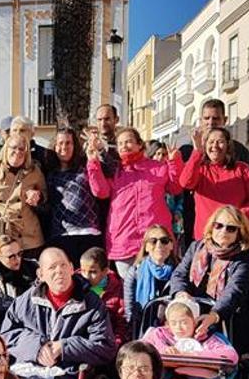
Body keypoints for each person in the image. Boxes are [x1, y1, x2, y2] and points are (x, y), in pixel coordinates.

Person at [1, 247, 116, 379]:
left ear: (73, 269)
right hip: (25, 370)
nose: (59, 272)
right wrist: (36, 347)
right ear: (40, 274)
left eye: (63, 265)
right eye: (52, 268)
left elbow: (106, 347)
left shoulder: (91, 304)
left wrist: (64, 347)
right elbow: (6, 335)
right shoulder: (26, 301)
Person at [87, 127, 182, 279]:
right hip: (124, 240)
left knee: (159, 287)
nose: (124, 146)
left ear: (140, 144)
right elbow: (100, 191)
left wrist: (173, 162)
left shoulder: (156, 168)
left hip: (155, 241)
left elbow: (175, 187)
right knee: (130, 290)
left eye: (129, 141)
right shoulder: (115, 171)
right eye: (120, 143)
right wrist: (93, 163)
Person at [170, 206, 249, 348]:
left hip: (227, 319)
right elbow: (179, 275)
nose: (223, 231)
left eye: (231, 228)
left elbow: (234, 291)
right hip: (192, 313)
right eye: (219, 226)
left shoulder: (245, 259)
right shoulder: (197, 247)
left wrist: (214, 315)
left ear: (239, 232)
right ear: (212, 227)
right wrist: (181, 293)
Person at [180, 127, 249, 241]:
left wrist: (239, 216)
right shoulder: (200, 169)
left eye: (220, 142)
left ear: (228, 146)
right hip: (206, 237)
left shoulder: (242, 169)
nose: (215, 146)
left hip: (235, 235)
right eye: (211, 142)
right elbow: (185, 182)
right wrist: (197, 152)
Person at [46, 127, 103, 264]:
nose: (64, 147)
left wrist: (99, 149)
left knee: (94, 277)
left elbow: (108, 171)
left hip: (88, 231)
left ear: (74, 146)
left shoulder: (84, 166)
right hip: (62, 234)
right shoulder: (50, 173)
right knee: (71, 277)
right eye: (60, 143)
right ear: (54, 146)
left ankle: (99, 288)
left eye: (68, 143)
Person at [124, 225, 178, 331]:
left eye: (164, 241)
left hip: (173, 326)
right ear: (146, 247)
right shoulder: (135, 272)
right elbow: (129, 309)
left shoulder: (180, 271)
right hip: (143, 326)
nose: (159, 245)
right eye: (153, 241)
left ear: (171, 245)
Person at [0, 237, 37, 327]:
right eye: (11, 256)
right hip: (10, 322)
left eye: (20, 253)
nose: (17, 258)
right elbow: (1, 306)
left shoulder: (33, 266)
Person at [79, 247, 127, 346]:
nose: (86, 276)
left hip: (105, 341)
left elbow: (121, 323)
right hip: (80, 340)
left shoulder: (117, 290)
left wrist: (115, 344)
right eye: (83, 271)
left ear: (105, 271)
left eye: (93, 272)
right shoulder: (75, 283)